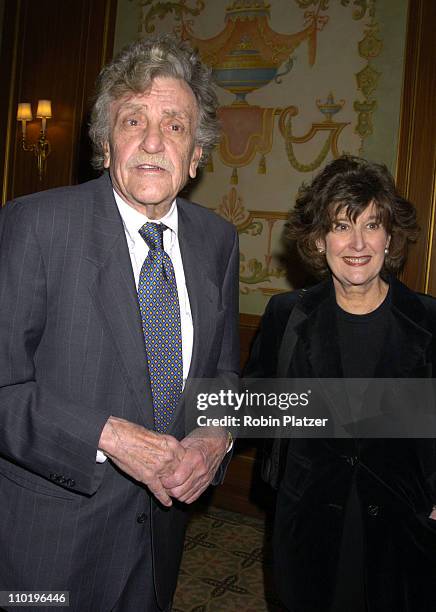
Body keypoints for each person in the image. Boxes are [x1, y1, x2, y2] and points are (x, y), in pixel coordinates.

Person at [0, 35, 238, 612]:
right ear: (107, 144)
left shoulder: (218, 241)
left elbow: (223, 380)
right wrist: (107, 436)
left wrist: (214, 440)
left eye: (176, 126)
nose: (154, 142)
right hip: (48, 548)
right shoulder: (35, 225)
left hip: (157, 546)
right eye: (134, 121)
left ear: (197, 155)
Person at [245, 156, 436, 612]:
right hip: (308, 525)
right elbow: (252, 405)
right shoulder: (286, 316)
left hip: (403, 530)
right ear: (317, 239)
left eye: (372, 226)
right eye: (340, 226)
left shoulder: (429, 321)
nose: (357, 243)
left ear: (390, 238)